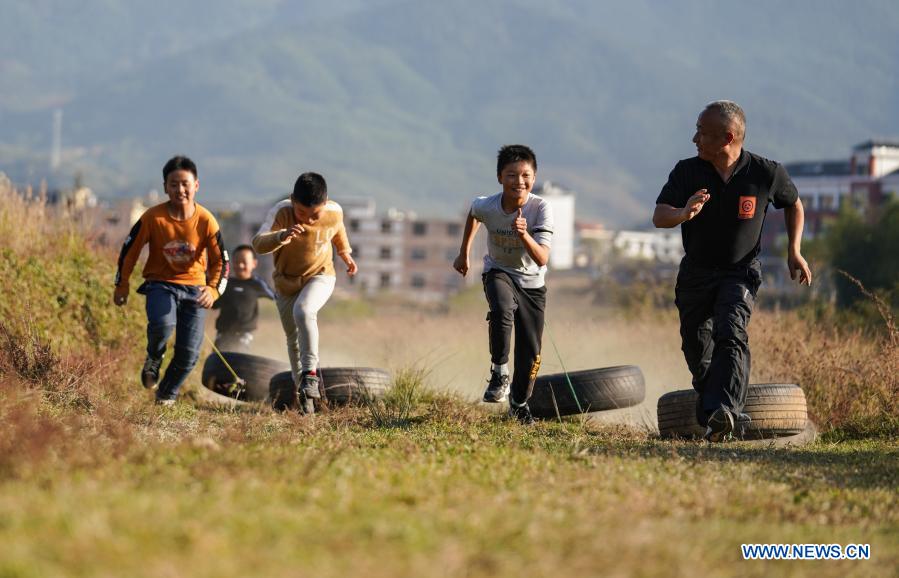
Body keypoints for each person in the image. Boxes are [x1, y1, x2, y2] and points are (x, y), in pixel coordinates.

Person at [653, 100, 812, 442]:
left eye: (702, 132)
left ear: (727, 137)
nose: (695, 138)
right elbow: (659, 216)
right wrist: (684, 213)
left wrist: (794, 250)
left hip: (740, 272)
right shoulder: (686, 171)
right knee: (696, 348)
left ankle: (725, 411)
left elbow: (794, 203)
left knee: (731, 330)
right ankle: (713, 411)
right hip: (695, 273)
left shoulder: (766, 172)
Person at [113, 155, 229, 405]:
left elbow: (223, 261)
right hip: (160, 284)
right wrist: (121, 285)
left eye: (185, 183)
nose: (180, 190)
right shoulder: (152, 218)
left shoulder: (206, 220)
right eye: (174, 184)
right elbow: (129, 252)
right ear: (165, 186)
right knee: (162, 325)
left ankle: (166, 394)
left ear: (196, 185)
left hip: (195, 291)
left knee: (189, 354)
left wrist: (213, 290)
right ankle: (154, 357)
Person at [454, 144, 554, 425]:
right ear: (500, 177)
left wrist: (524, 236)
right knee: (501, 308)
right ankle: (499, 372)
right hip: (499, 271)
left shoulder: (541, 208)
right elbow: (474, 213)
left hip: (533, 285)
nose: (518, 182)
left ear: (534, 178)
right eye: (511, 175)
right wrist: (464, 252)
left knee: (531, 354)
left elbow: (543, 257)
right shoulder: (488, 205)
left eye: (525, 175)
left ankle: (519, 404)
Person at [252, 172, 357, 414]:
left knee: (305, 310)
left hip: (320, 275)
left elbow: (337, 229)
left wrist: (345, 253)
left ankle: (310, 375)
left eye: (315, 214)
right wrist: (281, 236)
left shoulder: (334, 211)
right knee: (292, 339)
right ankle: (304, 395)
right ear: (292, 200)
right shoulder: (281, 212)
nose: (308, 219)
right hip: (286, 283)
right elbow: (258, 242)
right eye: (302, 213)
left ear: (326, 202)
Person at [212, 244, 275, 352]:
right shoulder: (226, 283)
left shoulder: (257, 284)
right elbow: (214, 304)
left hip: (244, 334)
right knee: (218, 358)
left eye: (244, 262)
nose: (240, 265)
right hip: (223, 332)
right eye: (236, 262)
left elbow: (275, 298)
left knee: (240, 358)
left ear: (254, 264)